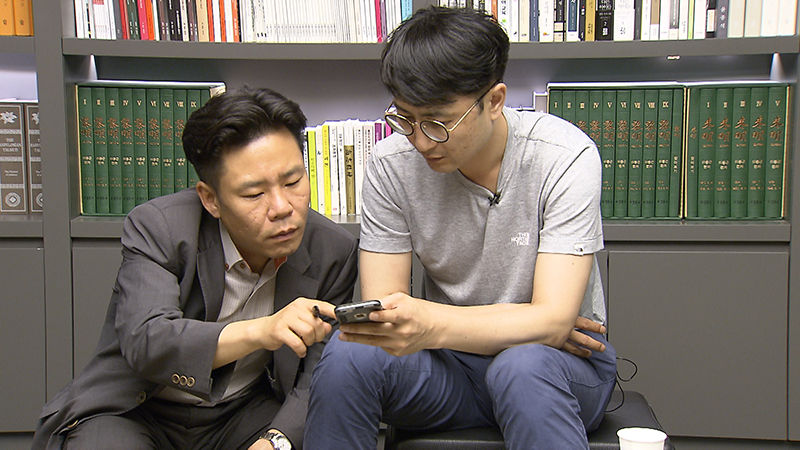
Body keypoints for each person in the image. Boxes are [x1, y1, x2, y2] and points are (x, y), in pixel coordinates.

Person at [304, 6, 616, 449]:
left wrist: (433, 321)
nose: (420, 141)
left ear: (495, 100)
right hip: (449, 369)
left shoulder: (563, 156)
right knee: (350, 352)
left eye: (438, 122)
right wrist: (527, 321)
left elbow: (552, 323)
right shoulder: (391, 164)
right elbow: (389, 316)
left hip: (558, 366)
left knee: (520, 367)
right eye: (405, 118)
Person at [32, 87, 358, 450]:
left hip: (242, 412)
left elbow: (319, 375)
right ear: (210, 199)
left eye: (293, 181)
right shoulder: (160, 227)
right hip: (139, 409)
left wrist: (275, 441)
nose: (282, 207)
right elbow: (150, 341)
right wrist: (263, 330)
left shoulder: (331, 250)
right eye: (254, 194)